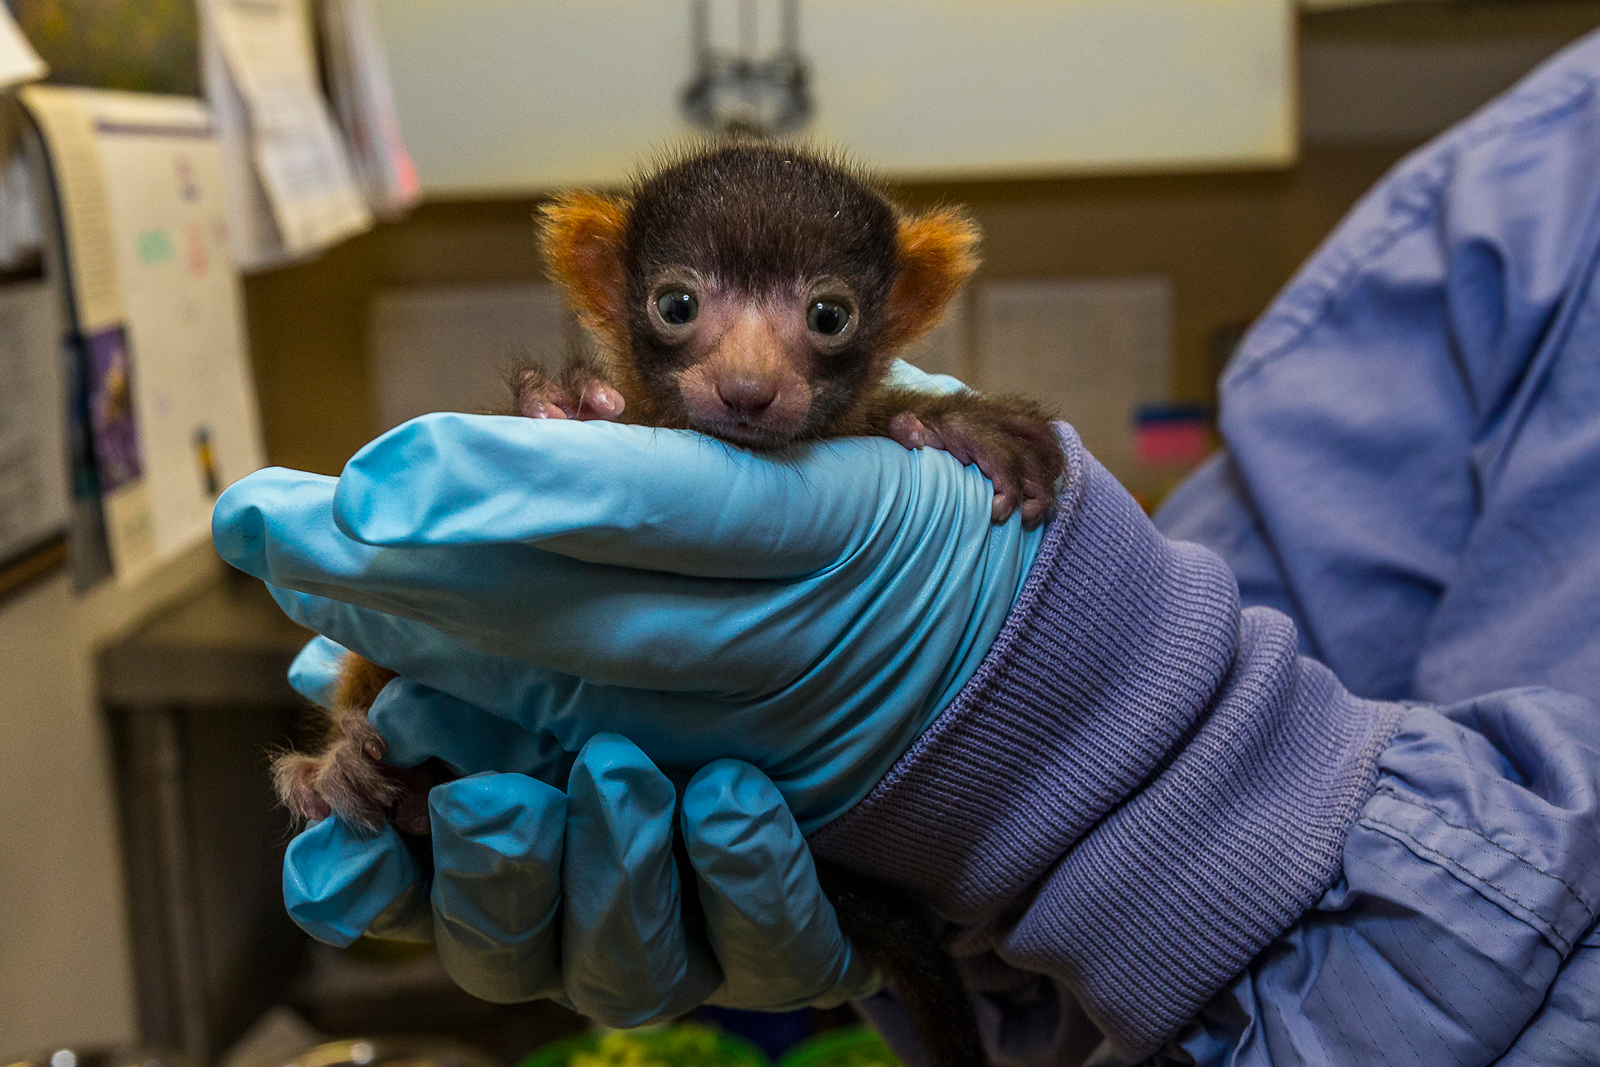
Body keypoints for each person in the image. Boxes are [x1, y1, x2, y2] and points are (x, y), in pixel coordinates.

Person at [212, 31, 1600, 1067]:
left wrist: (1067, 694)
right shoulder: (1520, 199)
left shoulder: (943, 449)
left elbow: (1221, 686)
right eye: (688, 306)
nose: (751, 373)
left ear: (907, 307)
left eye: (818, 321)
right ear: (602, 284)